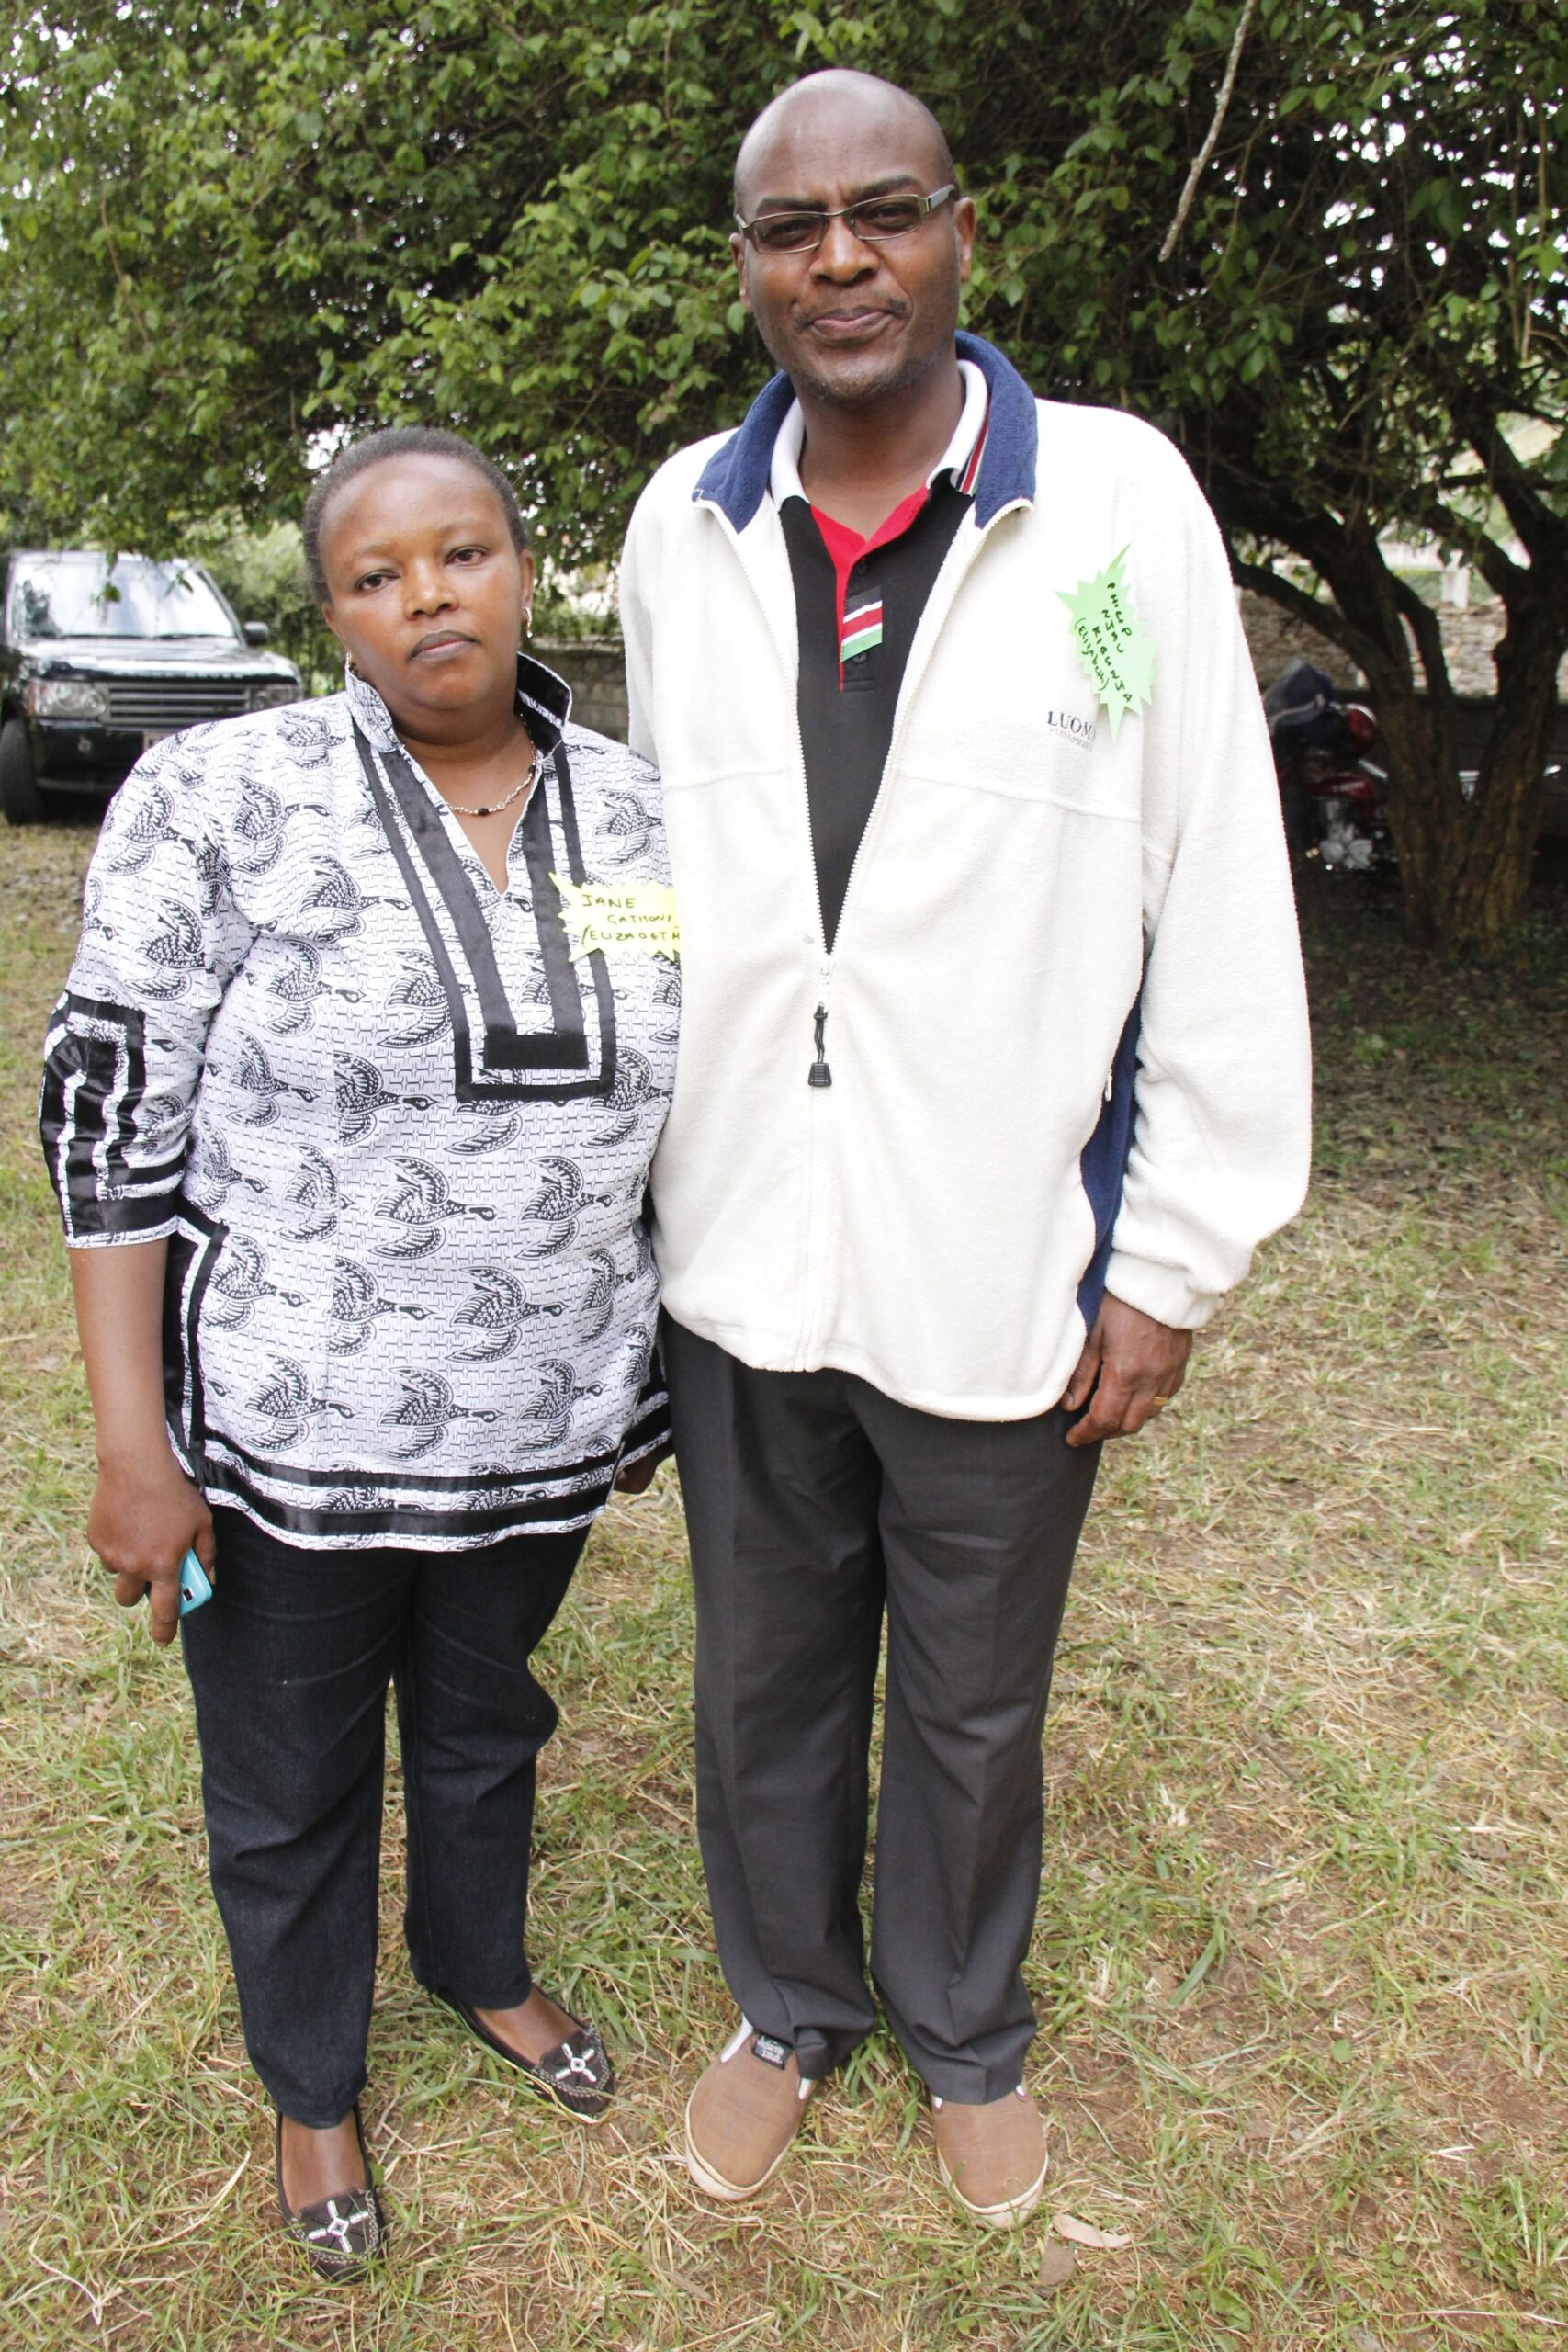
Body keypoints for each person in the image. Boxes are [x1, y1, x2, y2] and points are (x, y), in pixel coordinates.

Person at [619, 71, 1311, 2229]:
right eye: (788, 227)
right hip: (742, 1239)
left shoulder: (1103, 518)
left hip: (1001, 1242)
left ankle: (962, 2023)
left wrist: (1168, 1252)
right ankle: (784, 2005)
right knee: (761, 1671)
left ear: (957, 235)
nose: (837, 257)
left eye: (882, 211)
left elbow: (1199, 855)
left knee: (972, 1692)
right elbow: (647, 874)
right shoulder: (680, 530)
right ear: (746, 267)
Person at [41, 427, 677, 2278]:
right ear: (331, 612)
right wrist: (136, 1445)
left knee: (487, 1718)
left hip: (544, 1409)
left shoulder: (641, 815)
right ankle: (311, 2080)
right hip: (288, 1429)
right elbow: (110, 1115)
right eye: (375, 575)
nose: (428, 599)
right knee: (289, 1769)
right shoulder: (223, 794)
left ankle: (481, 1966)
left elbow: (673, 1075)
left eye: (462, 553)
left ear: (523, 566)